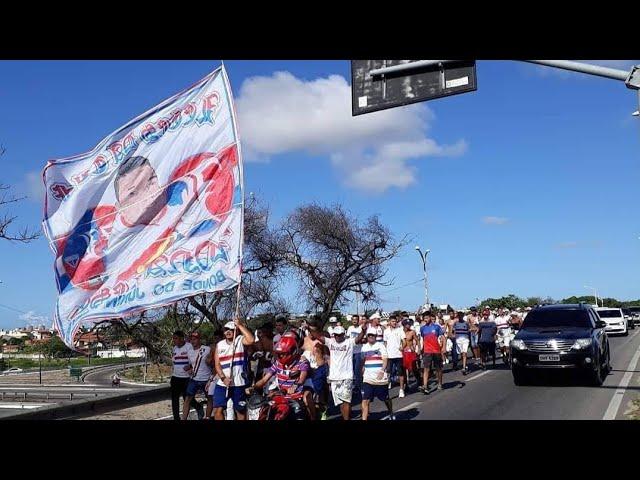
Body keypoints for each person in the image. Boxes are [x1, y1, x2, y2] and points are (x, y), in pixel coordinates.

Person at [253, 336, 313, 419]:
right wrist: (253, 387)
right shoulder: (278, 363)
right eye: (279, 354)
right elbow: (264, 379)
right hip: (281, 396)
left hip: (296, 396)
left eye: (283, 353)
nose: (280, 356)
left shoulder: (302, 362)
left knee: (301, 406)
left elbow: (302, 378)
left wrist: (294, 386)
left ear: (292, 351)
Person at [317, 324, 367, 420]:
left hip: (346, 377)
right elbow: (318, 337)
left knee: (346, 401)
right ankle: (346, 416)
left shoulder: (349, 342)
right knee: (340, 402)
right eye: (336, 335)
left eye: (340, 335)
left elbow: (358, 338)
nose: (338, 337)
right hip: (334, 378)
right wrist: (310, 327)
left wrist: (363, 331)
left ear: (344, 334)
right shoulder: (330, 342)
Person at [212, 319, 255, 420]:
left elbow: (251, 340)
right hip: (223, 383)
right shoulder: (220, 345)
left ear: (236, 331)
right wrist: (223, 378)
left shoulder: (240, 340)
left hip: (238, 383)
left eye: (231, 329)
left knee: (240, 411)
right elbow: (217, 365)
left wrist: (240, 325)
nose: (228, 331)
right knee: (218, 410)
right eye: (226, 329)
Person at [361, 329, 395, 420]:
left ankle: (391, 412)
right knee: (365, 400)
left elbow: (385, 359)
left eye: (373, 335)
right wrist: (363, 369)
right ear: (367, 336)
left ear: (376, 336)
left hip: (380, 378)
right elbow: (363, 360)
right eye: (369, 335)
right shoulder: (364, 347)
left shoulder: (380, 346)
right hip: (368, 378)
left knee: (385, 399)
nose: (371, 337)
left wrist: (382, 370)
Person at [170, 330, 203, 420]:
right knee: (174, 399)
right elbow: (174, 362)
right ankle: (176, 418)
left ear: (181, 338)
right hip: (175, 377)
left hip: (186, 378)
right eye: (173, 338)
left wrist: (189, 367)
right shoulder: (174, 349)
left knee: (187, 399)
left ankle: (198, 407)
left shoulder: (189, 347)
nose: (174, 340)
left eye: (176, 338)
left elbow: (195, 360)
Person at [181, 332, 213, 420]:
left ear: (199, 339)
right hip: (194, 379)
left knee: (210, 398)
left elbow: (212, 361)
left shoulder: (207, 349)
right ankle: (184, 418)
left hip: (206, 379)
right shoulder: (189, 352)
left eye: (195, 339)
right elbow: (191, 364)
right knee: (187, 399)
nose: (193, 341)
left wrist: (210, 360)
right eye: (191, 339)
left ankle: (207, 417)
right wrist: (188, 369)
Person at [420, 312, 445, 393]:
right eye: (424, 318)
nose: (425, 319)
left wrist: (444, 347)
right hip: (427, 351)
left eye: (427, 318)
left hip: (436, 351)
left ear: (430, 317)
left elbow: (442, 337)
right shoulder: (422, 328)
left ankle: (440, 383)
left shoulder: (437, 327)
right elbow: (422, 339)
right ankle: (425, 386)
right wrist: (421, 349)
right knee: (426, 368)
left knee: (438, 368)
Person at [383, 315, 406, 395]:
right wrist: (384, 353)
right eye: (392, 321)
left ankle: (401, 389)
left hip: (398, 355)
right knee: (388, 372)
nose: (394, 323)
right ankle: (388, 384)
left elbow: (404, 341)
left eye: (395, 321)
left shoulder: (400, 330)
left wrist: (402, 347)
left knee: (400, 372)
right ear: (389, 322)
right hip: (389, 355)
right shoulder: (386, 331)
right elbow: (385, 343)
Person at [401, 318, 422, 391]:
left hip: (410, 352)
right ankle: (406, 385)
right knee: (403, 369)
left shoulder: (412, 332)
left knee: (414, 368)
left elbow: (417, 341)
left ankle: (419, 382)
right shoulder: (400, 332)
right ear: (403, 325)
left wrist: (418, 349)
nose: (408, 325)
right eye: (407, 324)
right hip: (403, 352)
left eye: (409, 324)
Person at [347, 314, 366, 397]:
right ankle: (355, 386)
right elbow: (347, 338)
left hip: (359, 351)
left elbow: (364, 339)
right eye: (353, 319)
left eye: (356, 319)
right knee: (352, 371)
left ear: (359, 320)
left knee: (358, 371)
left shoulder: (361, 328)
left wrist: (358, 341)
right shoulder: (350, 328)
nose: (355, 321)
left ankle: (361, 387)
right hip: (351, 352)